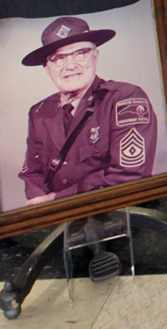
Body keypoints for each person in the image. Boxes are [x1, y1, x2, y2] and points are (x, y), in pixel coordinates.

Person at [17, 16, 157, 204]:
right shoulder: (39, 112)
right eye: (58, 58)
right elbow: (32, 174)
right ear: (47, 67)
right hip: (64, 220)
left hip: (120, 212)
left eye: (80, 53)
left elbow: (129, 177)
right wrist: (45, 209)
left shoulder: (125, 98)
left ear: (95, 56)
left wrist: (58, 199)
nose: (70, 66)